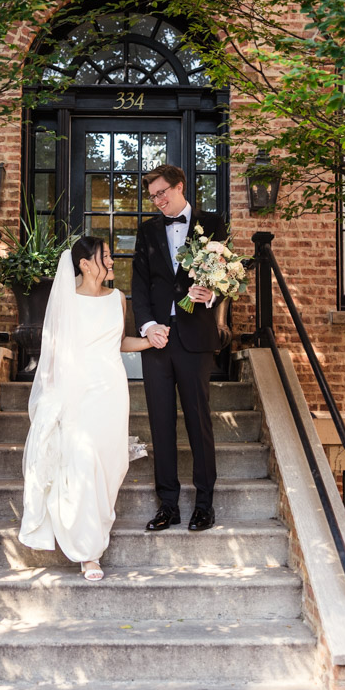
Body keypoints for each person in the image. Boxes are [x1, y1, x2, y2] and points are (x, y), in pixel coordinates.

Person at [18, 236, 151, 581]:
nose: (111, 261)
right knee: (83, 460)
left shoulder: (118, 299)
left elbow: (120, 342)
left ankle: (93, 530)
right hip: (77, 390)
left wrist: (150, 341)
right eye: (105, 256)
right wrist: (54, 396)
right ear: (85, 263)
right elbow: (53, 353)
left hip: (112, 390)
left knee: (111, 464)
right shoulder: (66, 300)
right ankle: (89, 552)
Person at [131, 163, 227, 533]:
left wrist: (210, 294)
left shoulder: (214, 224)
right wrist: (148, 326)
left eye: (162, 193)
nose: (157, 201)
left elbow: (224, 274)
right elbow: (139, 285)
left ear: (179, 186)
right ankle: (167, 504)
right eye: (152, 196)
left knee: (198, 420)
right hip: (157, 341)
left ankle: (204, 504)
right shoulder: (147, 230)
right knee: (160, 422)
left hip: (195, 337)